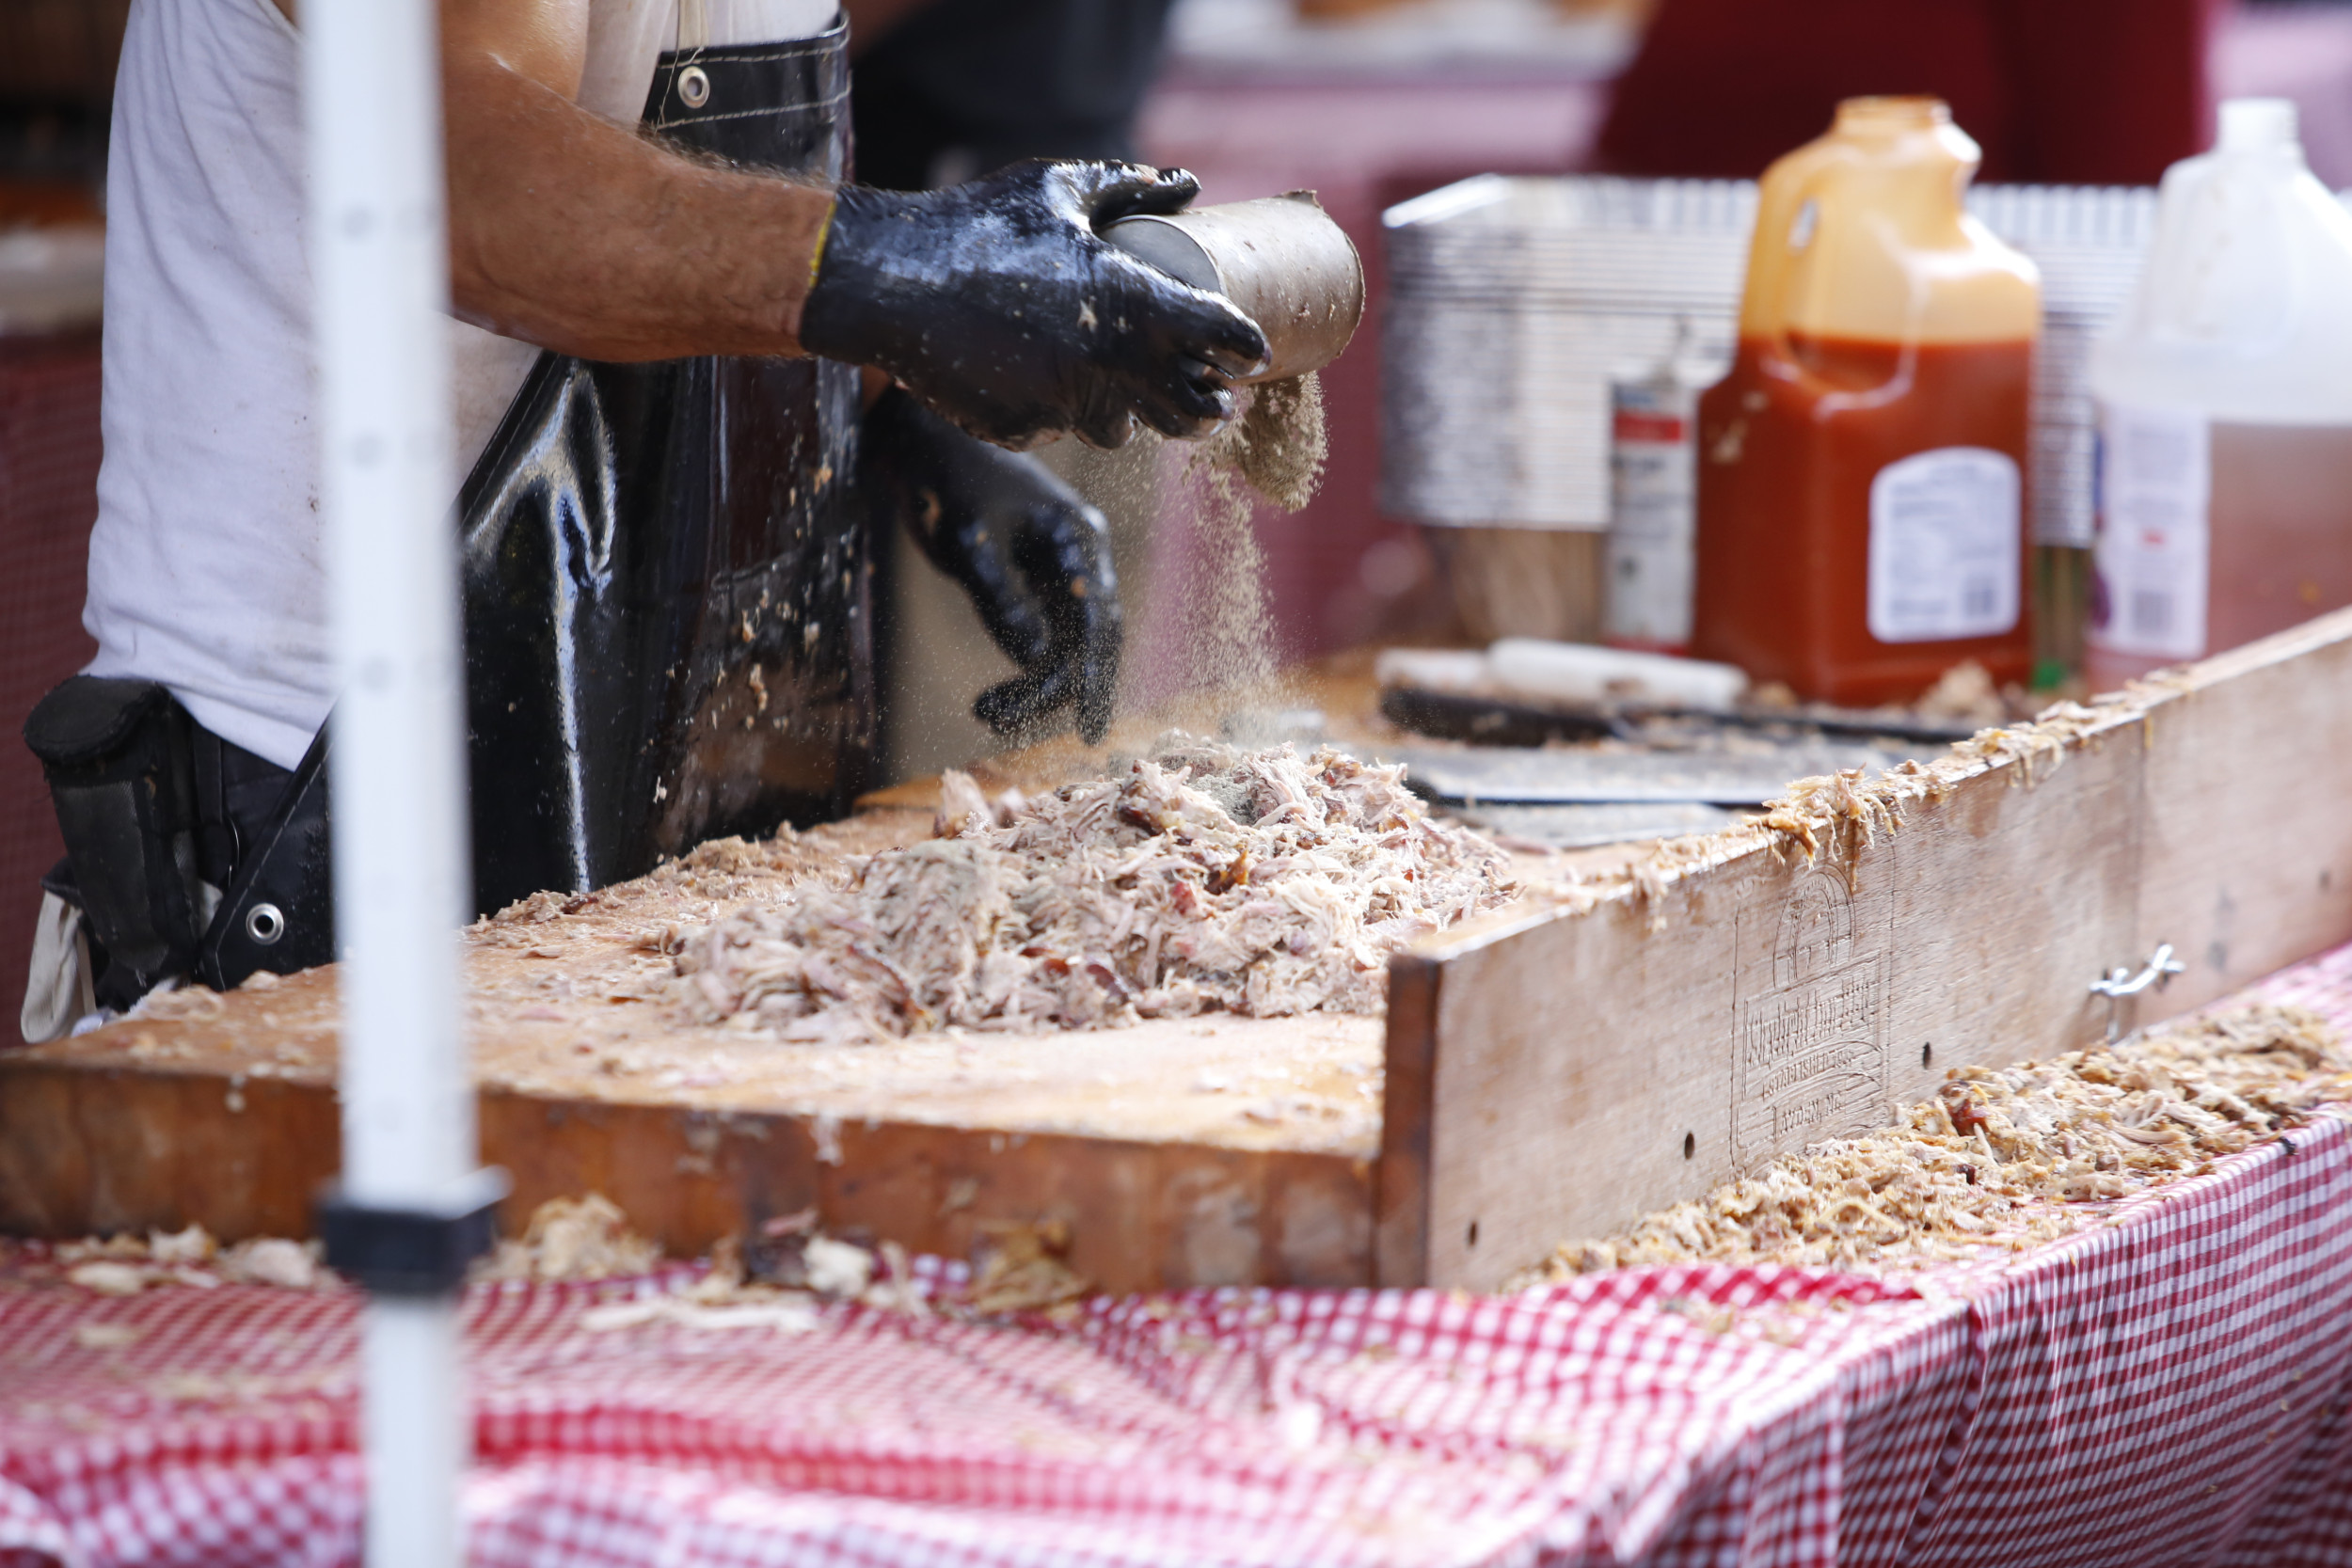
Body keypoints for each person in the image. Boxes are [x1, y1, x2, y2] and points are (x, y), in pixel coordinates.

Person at [17, 0, 1266, 1040]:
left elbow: (685, 188)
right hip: (317, 809)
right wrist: (893, 274)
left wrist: (883, 407)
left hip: (675, 820)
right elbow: (460, 184)